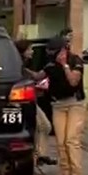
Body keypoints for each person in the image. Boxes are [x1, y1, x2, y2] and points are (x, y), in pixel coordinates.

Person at [44, 35, 86, 175]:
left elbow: (74, 81)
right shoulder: (50, 63)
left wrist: (64, 65)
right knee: (61, 142)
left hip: (75, 103)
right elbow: (39, 76)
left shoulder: (75, 61)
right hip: (58, 105)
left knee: (72, 140)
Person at [15, 38, 56, 166]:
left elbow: (34, 76)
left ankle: (40, 155)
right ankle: (38, 155)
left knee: (43, 126)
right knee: (43, 126)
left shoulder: (21, 66)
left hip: (30, 101)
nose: (32, 52)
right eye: (29, 49)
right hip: (25, 103)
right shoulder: (18, 67)